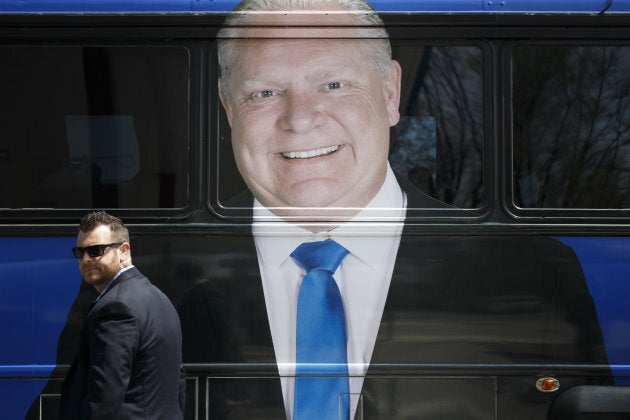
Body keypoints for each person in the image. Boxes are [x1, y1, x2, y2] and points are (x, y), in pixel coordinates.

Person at [176, 0, 611, 418]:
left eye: (333, 84)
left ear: (389, 92)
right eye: (264, 92)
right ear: (229, 109)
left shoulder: (535, 272)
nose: (300, 119)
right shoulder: (153, 278)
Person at [59, 211, 186, 419]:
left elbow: (105, 395)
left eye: (96, 250)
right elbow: (178, 382)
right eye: (79, 252)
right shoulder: (159, 297)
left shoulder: (116, 307)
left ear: (124, 251)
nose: (86, 259)